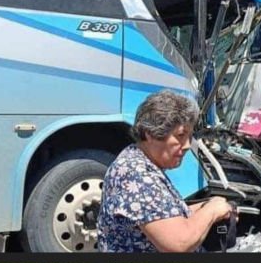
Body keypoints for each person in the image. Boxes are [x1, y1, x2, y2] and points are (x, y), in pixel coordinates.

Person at [96, 90, 233, 252]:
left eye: (190, 136)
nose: (188, 145)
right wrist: (212, 211)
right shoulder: (136, 176)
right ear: (150, 134)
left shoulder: (135, 158)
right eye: (180, 135)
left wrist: (208, 206)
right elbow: (179, 244)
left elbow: (162, 215)